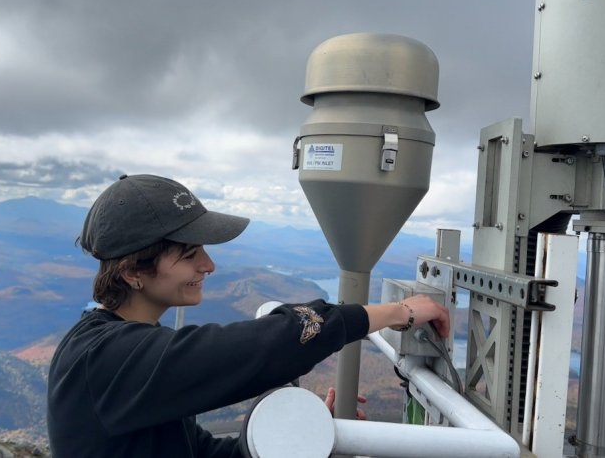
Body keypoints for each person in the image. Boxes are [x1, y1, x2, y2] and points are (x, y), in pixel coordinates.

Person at [47, 174, 450, 458]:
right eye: (190, 255)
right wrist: (398, 312)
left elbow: (201, 453)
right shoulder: (103, 360)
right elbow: (266, 345)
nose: (208, 265)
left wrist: (293, 430)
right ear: (133, 271)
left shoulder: (124, 355)